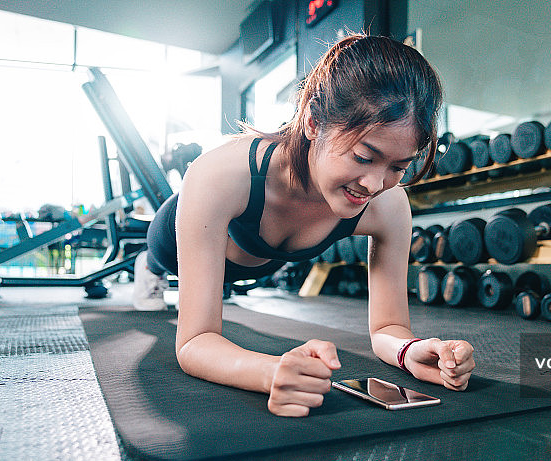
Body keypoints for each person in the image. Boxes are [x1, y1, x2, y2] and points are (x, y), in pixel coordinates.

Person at [133, 34, 476, 417]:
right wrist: (270, 371)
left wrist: (410, 349)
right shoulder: (220, 174)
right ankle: (145, 265)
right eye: (364, 156)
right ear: (313, 122)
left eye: (398, 167)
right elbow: (194, 341)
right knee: (160, 262)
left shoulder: (387, 206)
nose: (375, 185)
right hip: (171, 242)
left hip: (259, 261)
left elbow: (387, 327)